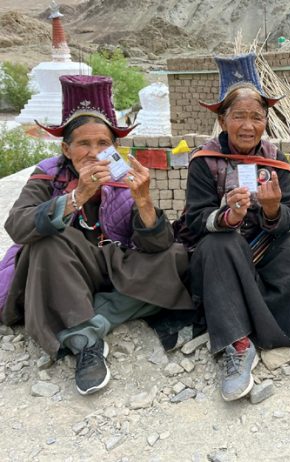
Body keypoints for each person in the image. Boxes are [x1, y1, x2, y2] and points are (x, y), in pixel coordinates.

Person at [0, 75, 192, 395]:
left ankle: (89, 319)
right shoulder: (49, 173)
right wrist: (76, 196)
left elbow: (155, 245)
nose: (93, 152)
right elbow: (17, 226)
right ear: (66, 147)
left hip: (113, 266)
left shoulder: (123, 176)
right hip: (64, 270)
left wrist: (144, 201)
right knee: (47, 242)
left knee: (178, 255)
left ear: (113, 147)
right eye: (83, 144)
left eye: (103, 143)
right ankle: (87, 343)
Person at [184, 53, 290, 401]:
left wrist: (274, 210)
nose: (248, 126)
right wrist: (227, 218)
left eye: (256, 117)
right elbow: (193, 220)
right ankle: (238, 346)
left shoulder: (274, 160)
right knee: (220, 245)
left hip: (264, 244)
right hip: (224, 254)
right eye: (239, 116)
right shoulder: (204, 162)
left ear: (266, 121)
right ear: (222, 120)